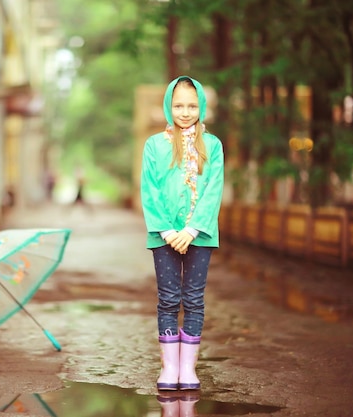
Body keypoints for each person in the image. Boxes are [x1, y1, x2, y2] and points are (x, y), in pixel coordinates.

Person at [140, 76, 224, 391]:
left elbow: (213, 190)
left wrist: (190, 229)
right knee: (168, 299)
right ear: (168, 106)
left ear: (201, 106)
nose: (185, 112)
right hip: (163, 235)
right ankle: (169, 368)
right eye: (178, 105)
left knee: (193, 299)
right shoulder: (155, 144)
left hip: (199, 234)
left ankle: (187, 369)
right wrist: (166, 229)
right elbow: (150, 189)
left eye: (192, 105)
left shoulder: (212, 145)